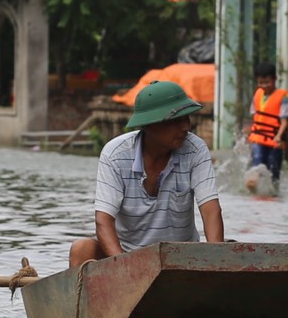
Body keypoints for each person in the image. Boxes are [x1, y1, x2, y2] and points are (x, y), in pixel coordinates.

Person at [71, 78, 224, 268]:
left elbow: (210, 210)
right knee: (81, 249)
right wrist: (126, 268)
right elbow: (103, 221)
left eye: (186, 118)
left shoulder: (195, 149)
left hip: (180, 258)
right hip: (128, 256)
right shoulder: (115, 155)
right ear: (149, 125)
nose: (185, 127)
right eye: (175, 121)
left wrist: (217, 261)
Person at [246, 66, 288, 188]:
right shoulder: (258, 95)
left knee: (274, 171)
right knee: (257, 163)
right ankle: (254, 186)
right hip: (259, 139)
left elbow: (284, 121)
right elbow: (255, 115)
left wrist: (278, 136)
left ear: (275, 79)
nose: (264, 85)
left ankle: (272, 193)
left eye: (267, 82)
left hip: (274, 141)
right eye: (261, 82)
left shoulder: (283, 98)